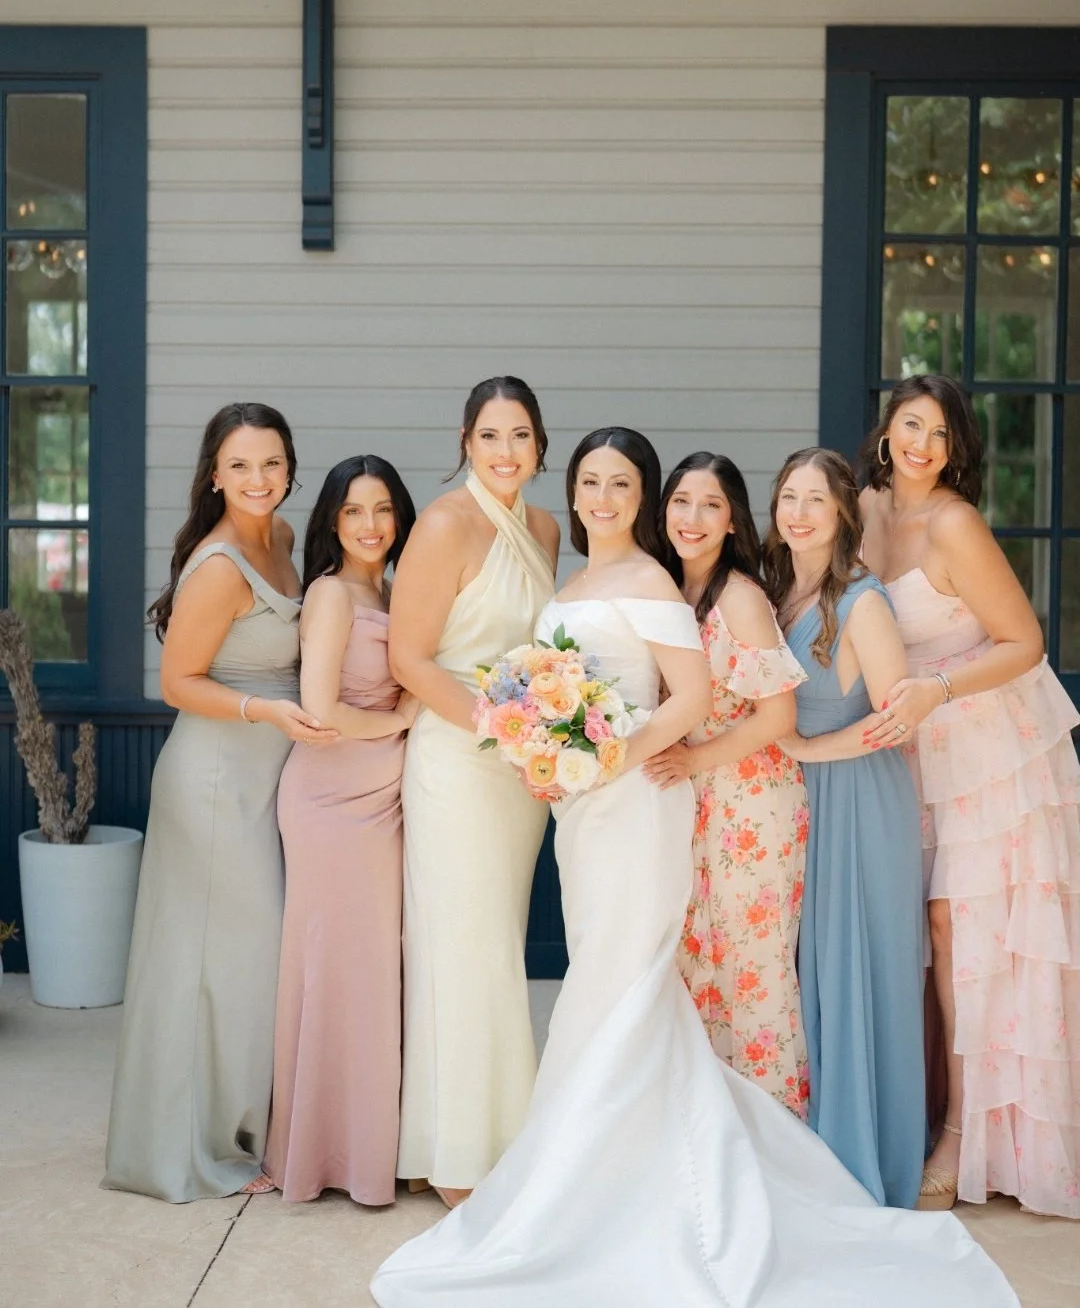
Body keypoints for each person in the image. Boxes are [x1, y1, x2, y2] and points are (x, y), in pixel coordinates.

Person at [370, 429, 1018, 1308]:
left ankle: (629, 1176)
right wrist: (549, 745)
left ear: (644, 497)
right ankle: (592, 1163)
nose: (607, 498)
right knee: (634, 979)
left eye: (626, 484)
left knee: (627, 977)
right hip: (589, 808)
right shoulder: (595, 584)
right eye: (593, 482)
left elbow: (700, 701)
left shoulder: (664, 589)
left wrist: (616, 754)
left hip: (645, 799)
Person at [859, 373, 1079, 1218]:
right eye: (913, 425)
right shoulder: (868, 507)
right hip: (900, 746)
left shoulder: (954, 523)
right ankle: (901, 1113)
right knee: (905, 934)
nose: (924, 445)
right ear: (885, 432)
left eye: (943, 436)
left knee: (961, 932)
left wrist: (935, 691)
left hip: (982, 743)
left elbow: (1025, 640)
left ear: (958, 454)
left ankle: (966, 1132)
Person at [103, 403, 336, 1203]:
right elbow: (177, 683)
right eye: (240, 466)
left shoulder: (282, 539)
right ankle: (188, 1150)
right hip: (210, 783)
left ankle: (234, 1128)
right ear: (214, 474)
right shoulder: (218, 566)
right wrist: (266, 710)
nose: (258, 479)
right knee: (213, 966)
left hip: (264, 783)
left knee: (248, 966)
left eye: (272, 462)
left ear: (290, 466)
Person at [388, 376, 559, 1207]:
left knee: (501, 946)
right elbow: (410, 660)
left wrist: (542, 736)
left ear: (540, 446)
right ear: (465, 441)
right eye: (490, 436)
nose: (505, 452)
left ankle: (501, 1136)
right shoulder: (444, 523)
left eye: (520, 436)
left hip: (521, 772)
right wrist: (502, 730)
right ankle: (452, 1151)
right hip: (458, 756)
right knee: (460, 948)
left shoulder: (547, 528)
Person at [765, 447, 926, 1209]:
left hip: (861, 800)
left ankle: (864, 1158)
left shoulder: (863, 602)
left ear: (841, 516)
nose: (798, 513)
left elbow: (897, 719)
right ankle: (808, 1148)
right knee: (806, 978)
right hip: (800, 803)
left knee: (854, 972)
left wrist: (807, 749)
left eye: (815, 502)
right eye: (788, 498)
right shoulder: (776, 593)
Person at [264, 456, 418, 1205]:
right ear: (332, 520)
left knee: (371, 972)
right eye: (354, 511)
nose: (369, 526)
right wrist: (397, 720)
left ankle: (368, 1147)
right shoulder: (330, 593)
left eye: (382, 510)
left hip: (382, 792)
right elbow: (320, 707)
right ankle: (320, 1155)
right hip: (330, 799)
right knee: (333, 969)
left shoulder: (388, 591)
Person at [646, 452, 810, 1117]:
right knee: (701, 968)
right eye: (681, 501)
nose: (692, 517)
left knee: (754, 970)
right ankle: (710, 1128)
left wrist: (694, 759)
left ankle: (774, 1135)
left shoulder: (739, 598)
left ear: (733, 521)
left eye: (710, 504)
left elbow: (779, 715)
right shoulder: (664, 589)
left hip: (752, 800)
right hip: (697, 801)